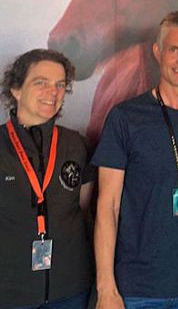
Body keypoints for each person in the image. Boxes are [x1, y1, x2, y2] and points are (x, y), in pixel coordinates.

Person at [92, 12, 178, 309]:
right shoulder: (125, 118)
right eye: (174, 49)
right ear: (157, 51)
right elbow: (107, 206)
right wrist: (106, 288)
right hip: (136, 289)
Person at [0, 49, 94, 309]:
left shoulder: (76, 144)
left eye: (60, 85)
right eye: (40, 82)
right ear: (16, 89)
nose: (52, 92)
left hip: (70, 289)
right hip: (10, 292)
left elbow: (84, 211)